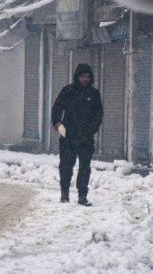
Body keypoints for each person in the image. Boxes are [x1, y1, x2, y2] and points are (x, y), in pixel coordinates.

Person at [51, 63, 103, 206]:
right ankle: (64, 193)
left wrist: (91, 130)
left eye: (87, 76)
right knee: (66, 166)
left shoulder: (94, 94)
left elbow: (98, 115)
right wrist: (58, 125)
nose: (85, 79)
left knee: (84, 168)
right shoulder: (68, 91)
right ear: (77, 77)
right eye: (82, 76)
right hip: (68, 137)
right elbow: (57, 109)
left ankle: (82, 195)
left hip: (85, 138)